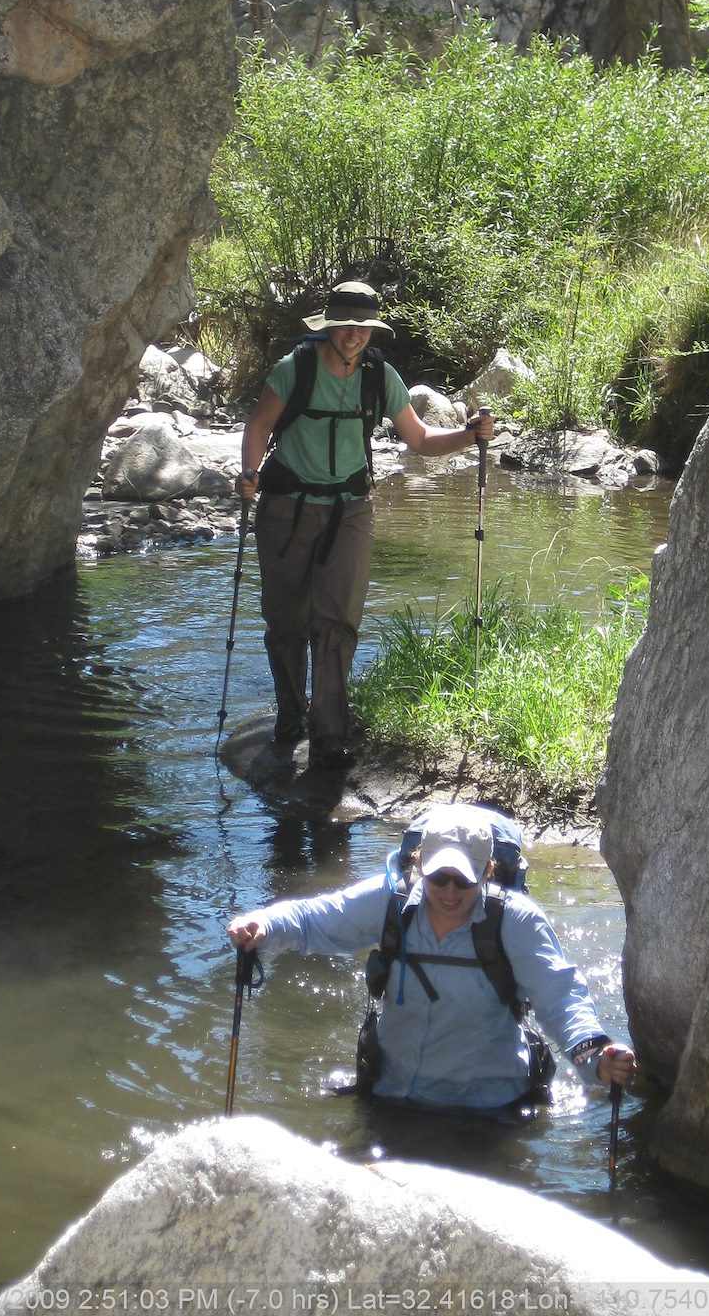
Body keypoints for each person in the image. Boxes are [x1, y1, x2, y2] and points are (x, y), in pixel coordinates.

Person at [227, 804, 638, 1111]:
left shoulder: (515, 921)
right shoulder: (389, 901)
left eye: (464, 879)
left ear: (488, 871)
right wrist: (262, 925)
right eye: (439, 876)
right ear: (419, 863)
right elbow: (313, 921)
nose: (449, 891)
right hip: (391, 1101)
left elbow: (561, 998)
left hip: (489, 1115)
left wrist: (596, 1058)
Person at [234, 281, 494, 765]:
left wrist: (467, 435)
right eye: (347, 326)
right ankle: (290, 717)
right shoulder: (295, 370)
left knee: (337, 623)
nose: (355, 336)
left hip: (350, 509)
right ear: (330, 326)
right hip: (286, 507)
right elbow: (258, 428)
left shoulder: (380, 376)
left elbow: (417, 439)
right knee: (287, 620)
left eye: (364, 328)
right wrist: (249, 473)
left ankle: (330, 733)